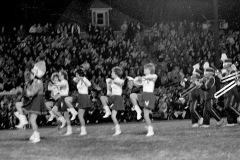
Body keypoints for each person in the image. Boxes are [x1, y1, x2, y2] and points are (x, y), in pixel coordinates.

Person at [15, 61, 47, 143]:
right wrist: (26, 88)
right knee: (18, 105)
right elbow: (29, 93)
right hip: (34, 100)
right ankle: (24, 121)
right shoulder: (34, 82)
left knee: (32, 120)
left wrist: (23, 91)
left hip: (36, 101)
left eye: (32, 74)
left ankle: (37, 136)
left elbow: (31, 93)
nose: (30, 75)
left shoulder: (38, 82)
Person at [130, 63, 157, 137]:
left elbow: (153, 76)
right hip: (144, 94)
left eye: (145, 69)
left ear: (149, 70)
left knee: (146, 115)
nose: (143, 70)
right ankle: (138, 110)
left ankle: (150, 130)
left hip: (149, 96)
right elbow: (138, 85)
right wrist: (133, 81)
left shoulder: (153, 76)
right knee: (132, 95)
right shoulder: (144, 78)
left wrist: (141, 78)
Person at [65, 67, 91, 136]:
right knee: (66, 100)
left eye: (77, 74)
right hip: (79, 97)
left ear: (80, 74)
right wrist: (78, 78)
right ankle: (73, 111)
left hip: (84, 97)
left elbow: (89, 84)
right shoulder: (79, 80)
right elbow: (74, 79)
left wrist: (83, 79)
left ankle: (83, 130)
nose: (76, 76)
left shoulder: (84, 79)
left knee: (80, 115)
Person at [100, 67, 125, 136]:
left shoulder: (119, 80)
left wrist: (112, 81)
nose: (111, 73)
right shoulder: (112, 81)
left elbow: (121, 82)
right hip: (113, 97)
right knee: (102, 98)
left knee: (113, 116)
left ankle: (118, 130)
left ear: (116, 73)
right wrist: (108, 85)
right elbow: (109, 93)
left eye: (112, 72)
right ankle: (107, 111)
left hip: (117, 97)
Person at [217, 53, 240, 126]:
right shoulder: (227, 72)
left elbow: (229, 80)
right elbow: (223, 81)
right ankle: (230, 122)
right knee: (227, 107)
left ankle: (238, 115)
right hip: (227, 91)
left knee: (229, 106)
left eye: (225, 65)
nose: (224, 67)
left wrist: (221, 77)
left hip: (232, 91)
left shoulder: (233, 71)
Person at [201, 62, 224, 128]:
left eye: (206, 72)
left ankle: (219, 119)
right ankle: (206, 123)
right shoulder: (207, 79)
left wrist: (200, 85)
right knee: (205, 110)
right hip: (207, 97)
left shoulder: (212, 79)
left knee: (210, 109)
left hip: (211, 96)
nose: (205, 74)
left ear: (210, 73)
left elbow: (207, 87)